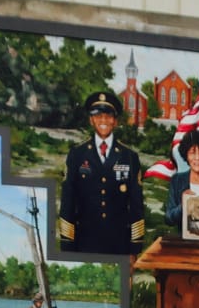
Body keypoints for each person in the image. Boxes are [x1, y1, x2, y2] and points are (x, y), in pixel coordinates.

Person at [57, 91, 145, 255]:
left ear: (115, 121)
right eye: (98, 116)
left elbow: (136, 207)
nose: (103, 120)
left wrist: (135, 248)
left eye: (108, 116)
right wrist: (67, 245)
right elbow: (67, 203)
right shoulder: (77, 154)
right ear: (91, 120)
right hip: (85, 243)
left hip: (119, 244)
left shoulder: (129, 157)